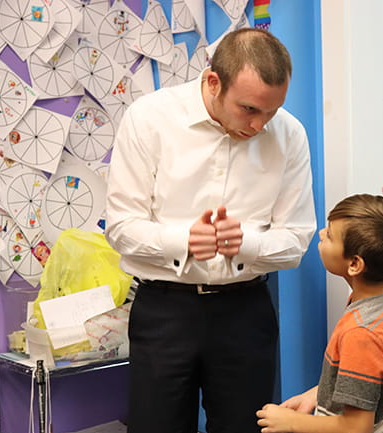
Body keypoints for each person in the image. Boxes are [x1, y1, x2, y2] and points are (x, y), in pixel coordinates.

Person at [105, 28, 316, 433]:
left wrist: (245, 243)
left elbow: (295, 241)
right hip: (164, 309)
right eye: (250, 109)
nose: (259, 125)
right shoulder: (149, 119)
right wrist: (183, 240)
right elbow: (121, 227)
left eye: (271, 112)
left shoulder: (289, 134)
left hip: (245, 310)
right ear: (213, 82)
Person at [257, 194, 383, 433]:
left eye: (331, 235)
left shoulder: (362, 332)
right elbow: (372, 382)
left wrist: (291, 422)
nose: (322, 234)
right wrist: (318, 394)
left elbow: (356, 427)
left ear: (355, 264)